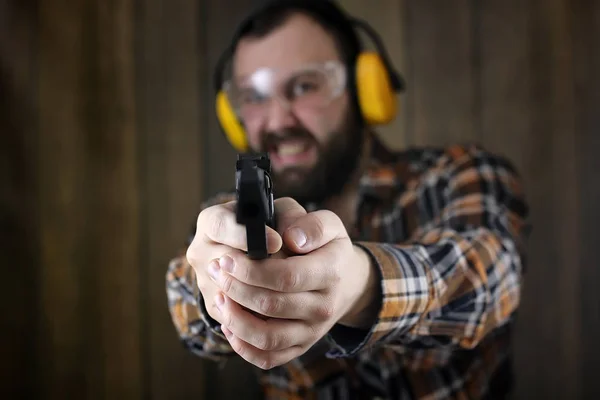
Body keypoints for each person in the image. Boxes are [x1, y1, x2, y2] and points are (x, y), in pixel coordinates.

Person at [166, 0, 530, 398]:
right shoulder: (228, 218)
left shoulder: (460, 174)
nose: (278, 121)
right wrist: (218, 285)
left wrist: (359, 286)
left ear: (364, 89)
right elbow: (186, 302)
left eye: (304, 86)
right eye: (254, 97)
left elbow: (487, 279)